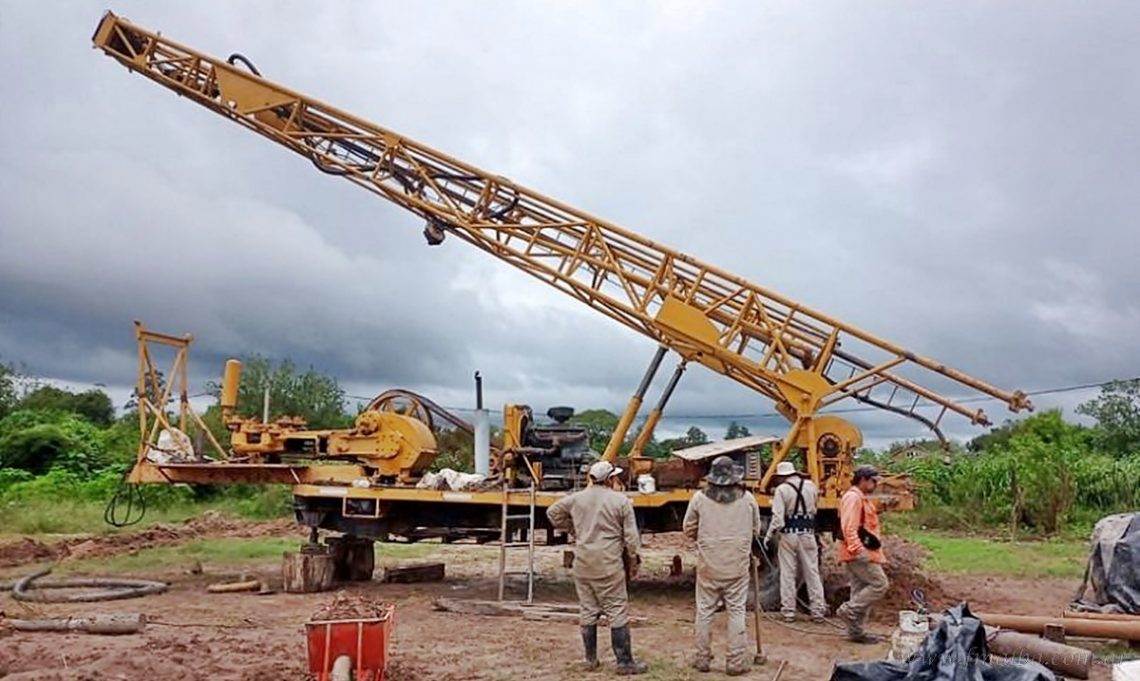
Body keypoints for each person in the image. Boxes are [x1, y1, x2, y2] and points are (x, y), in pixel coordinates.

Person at [547, 460, 648, 675]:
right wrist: (634, 560)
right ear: (611, 479)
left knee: (588, 610)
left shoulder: (576, 499)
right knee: (617, 610)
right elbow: (631, 538)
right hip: (609, 563)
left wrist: (573, 530)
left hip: (583, 563)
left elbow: (552, 513)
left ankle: (590, 659)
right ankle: (624, 662)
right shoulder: (621, 501)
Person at [682, 456, 762, 676]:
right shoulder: (748, 499)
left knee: (704, 611)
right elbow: (756, 530)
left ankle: (702, 659)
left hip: (709, 564)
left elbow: (688, 529)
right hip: (737, 565)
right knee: (736, 611)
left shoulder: (699, 499)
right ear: (734, 477)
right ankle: (736, 662)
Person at [763, 460, 827, 623]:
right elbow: (815, 509)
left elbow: (778, 519)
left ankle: (788, 611)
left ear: (781, 476)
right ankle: (818, 611)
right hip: (808, 533)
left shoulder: (782, 490)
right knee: (812, 572)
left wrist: (768, 536)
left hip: (789, 534)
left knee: (788, 574)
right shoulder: (811, 486)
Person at [836, 465, 890, 643]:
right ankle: (848, 611)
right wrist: (859, 550)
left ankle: (856, 632)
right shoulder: (853, 498)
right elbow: (849, 527)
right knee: (879, 584)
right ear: (863, 479)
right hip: (858, 552)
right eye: (873, 481)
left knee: (860, 589)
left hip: (857, 551)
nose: (875, 484)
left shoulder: (859, 498)